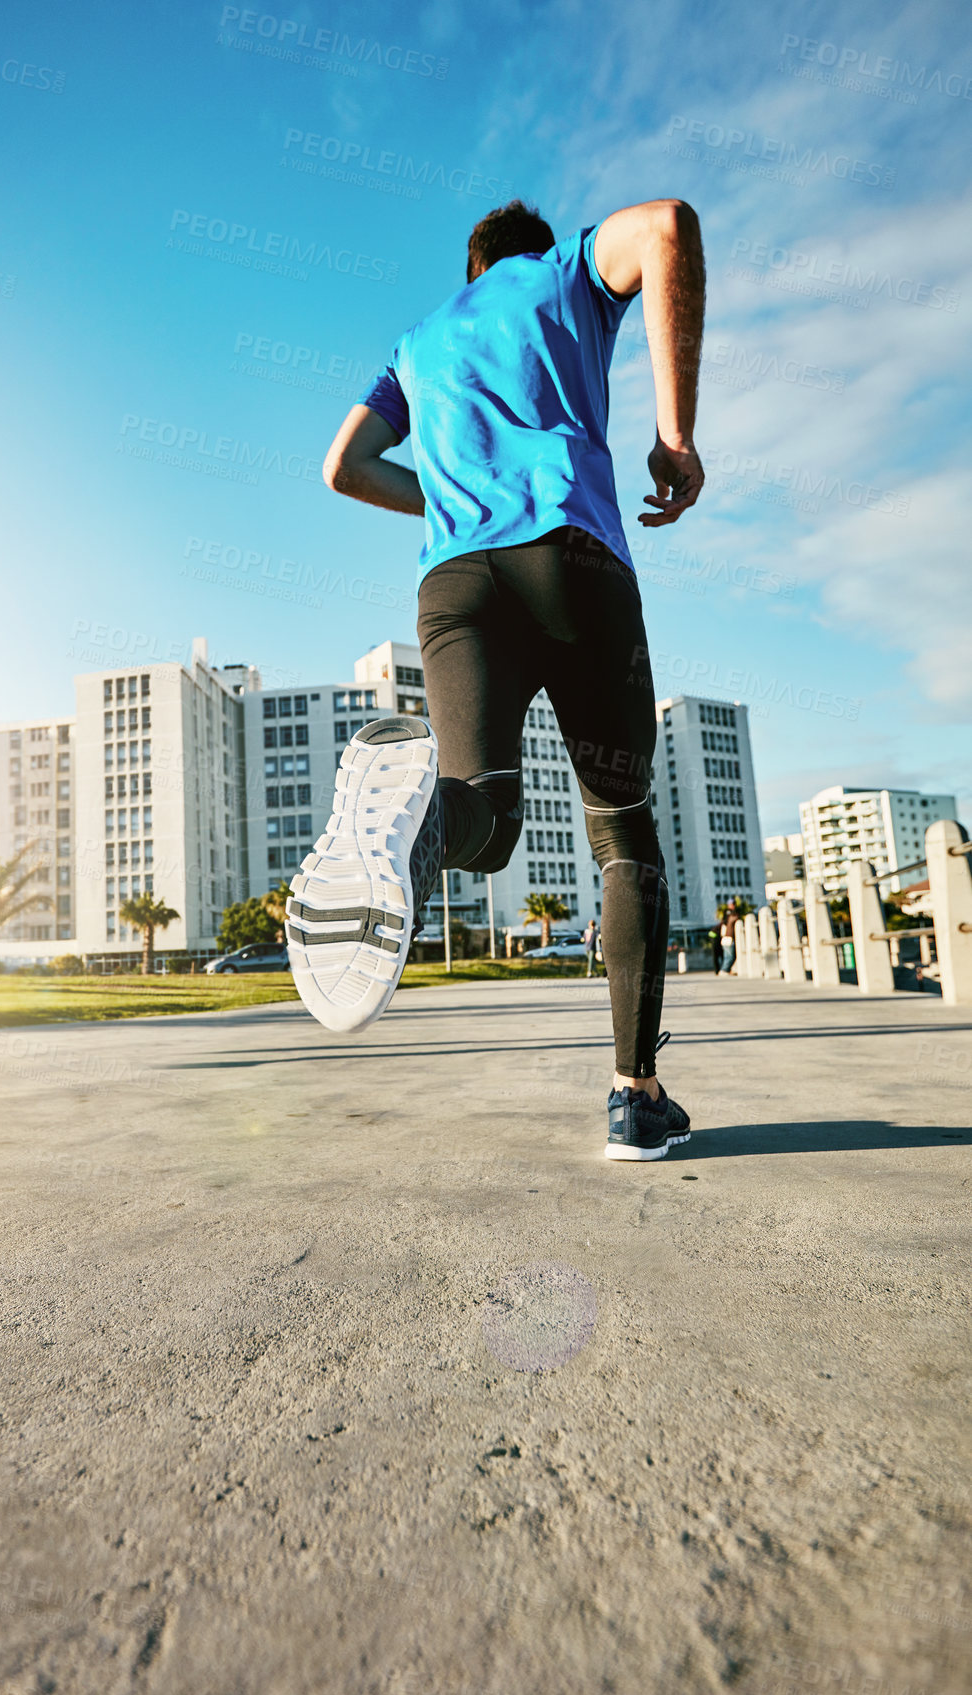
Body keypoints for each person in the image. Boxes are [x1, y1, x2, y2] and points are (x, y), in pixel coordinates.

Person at [286, 196, 705, 1160]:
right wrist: (674, 436)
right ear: (532, 255)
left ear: (469, 269)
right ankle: (636, 1097)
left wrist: (451, 494)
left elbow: (343, 467)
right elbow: (667, 227)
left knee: (482, 821)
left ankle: (416, 818)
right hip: (572, 558)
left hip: (456, 581)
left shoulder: (415, 342)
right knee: (621, 823)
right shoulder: (562, 276)